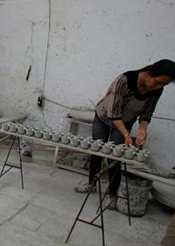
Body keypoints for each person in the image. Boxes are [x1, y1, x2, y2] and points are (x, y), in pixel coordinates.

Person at [74, 59, 175, 209]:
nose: (159, 86)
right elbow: (114, 113)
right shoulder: (124, 81)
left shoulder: (156, 90)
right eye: (159, 82)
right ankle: (91, 183)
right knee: (96, 150)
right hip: (105, 117)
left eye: (164, 85)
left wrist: (143, 130)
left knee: (115, 156)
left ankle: (112, 194)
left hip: (125, 122)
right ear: (149, 73)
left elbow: (147, 113)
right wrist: (128, 136)